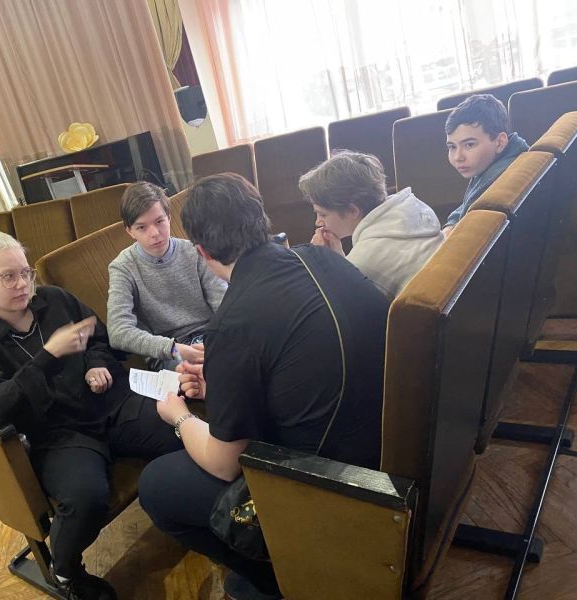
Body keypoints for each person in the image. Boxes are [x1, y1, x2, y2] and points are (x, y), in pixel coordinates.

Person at [138, 174, 390, 600]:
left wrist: (179, 418)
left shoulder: (232, 324)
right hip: (388, 439)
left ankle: (282, 579)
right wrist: (220, 381)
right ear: (261, 218)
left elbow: (224, 465)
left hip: (332, 482)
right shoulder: (321, 257)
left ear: (202, 252)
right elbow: (297, 365)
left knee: (157, 484)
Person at [0, 226, 181, 600]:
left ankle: (193, 512)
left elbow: (100, 339)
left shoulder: (54, 300)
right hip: (58, 434)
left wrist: (97, 365)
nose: (22, 284)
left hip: (108, 405)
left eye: (25, 272)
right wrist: (49, 355)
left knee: (181, 430)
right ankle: (64, 571)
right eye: (7, 276)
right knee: (85, 498)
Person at [107, 182, 226, 368]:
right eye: (142, 227)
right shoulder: (123, 267)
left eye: (159, 221)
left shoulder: (194, 251)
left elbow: (225, 303)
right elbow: (117, 332)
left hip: (210, 336)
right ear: (130, 231)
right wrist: (175, 349)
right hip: (168, 352)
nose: (155, 233)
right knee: (206, 373)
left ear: (169, 217)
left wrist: (222, 339)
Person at [300, 151, 443, 299]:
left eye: (322, 214)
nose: (318, 222)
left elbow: (347, 306)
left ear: (352, 211)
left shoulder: (367, 260)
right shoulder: (413, 209)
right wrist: (339, 260)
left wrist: (324, 262)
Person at [443, 94, 529, 236]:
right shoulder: (492, 163)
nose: (458, 157)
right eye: (452, 146)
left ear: (500, 143)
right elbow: (467, 205)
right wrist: (451, 224)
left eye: (469, 145)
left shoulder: (498, 180)